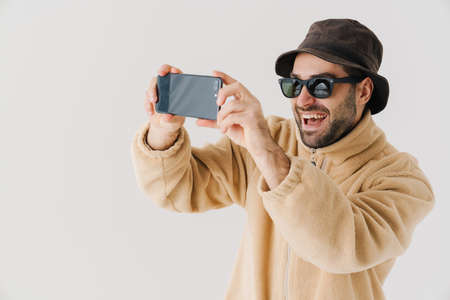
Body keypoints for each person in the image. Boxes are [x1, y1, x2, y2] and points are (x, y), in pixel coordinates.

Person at [131, 18, 435, 300]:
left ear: (364, 90)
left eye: (321, 85)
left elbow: (341, 246)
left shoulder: (401, 179)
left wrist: (266, 151)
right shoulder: (270, 138)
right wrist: (164, 130)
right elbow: (176, 190)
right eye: (294, 85)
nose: (303, 100)